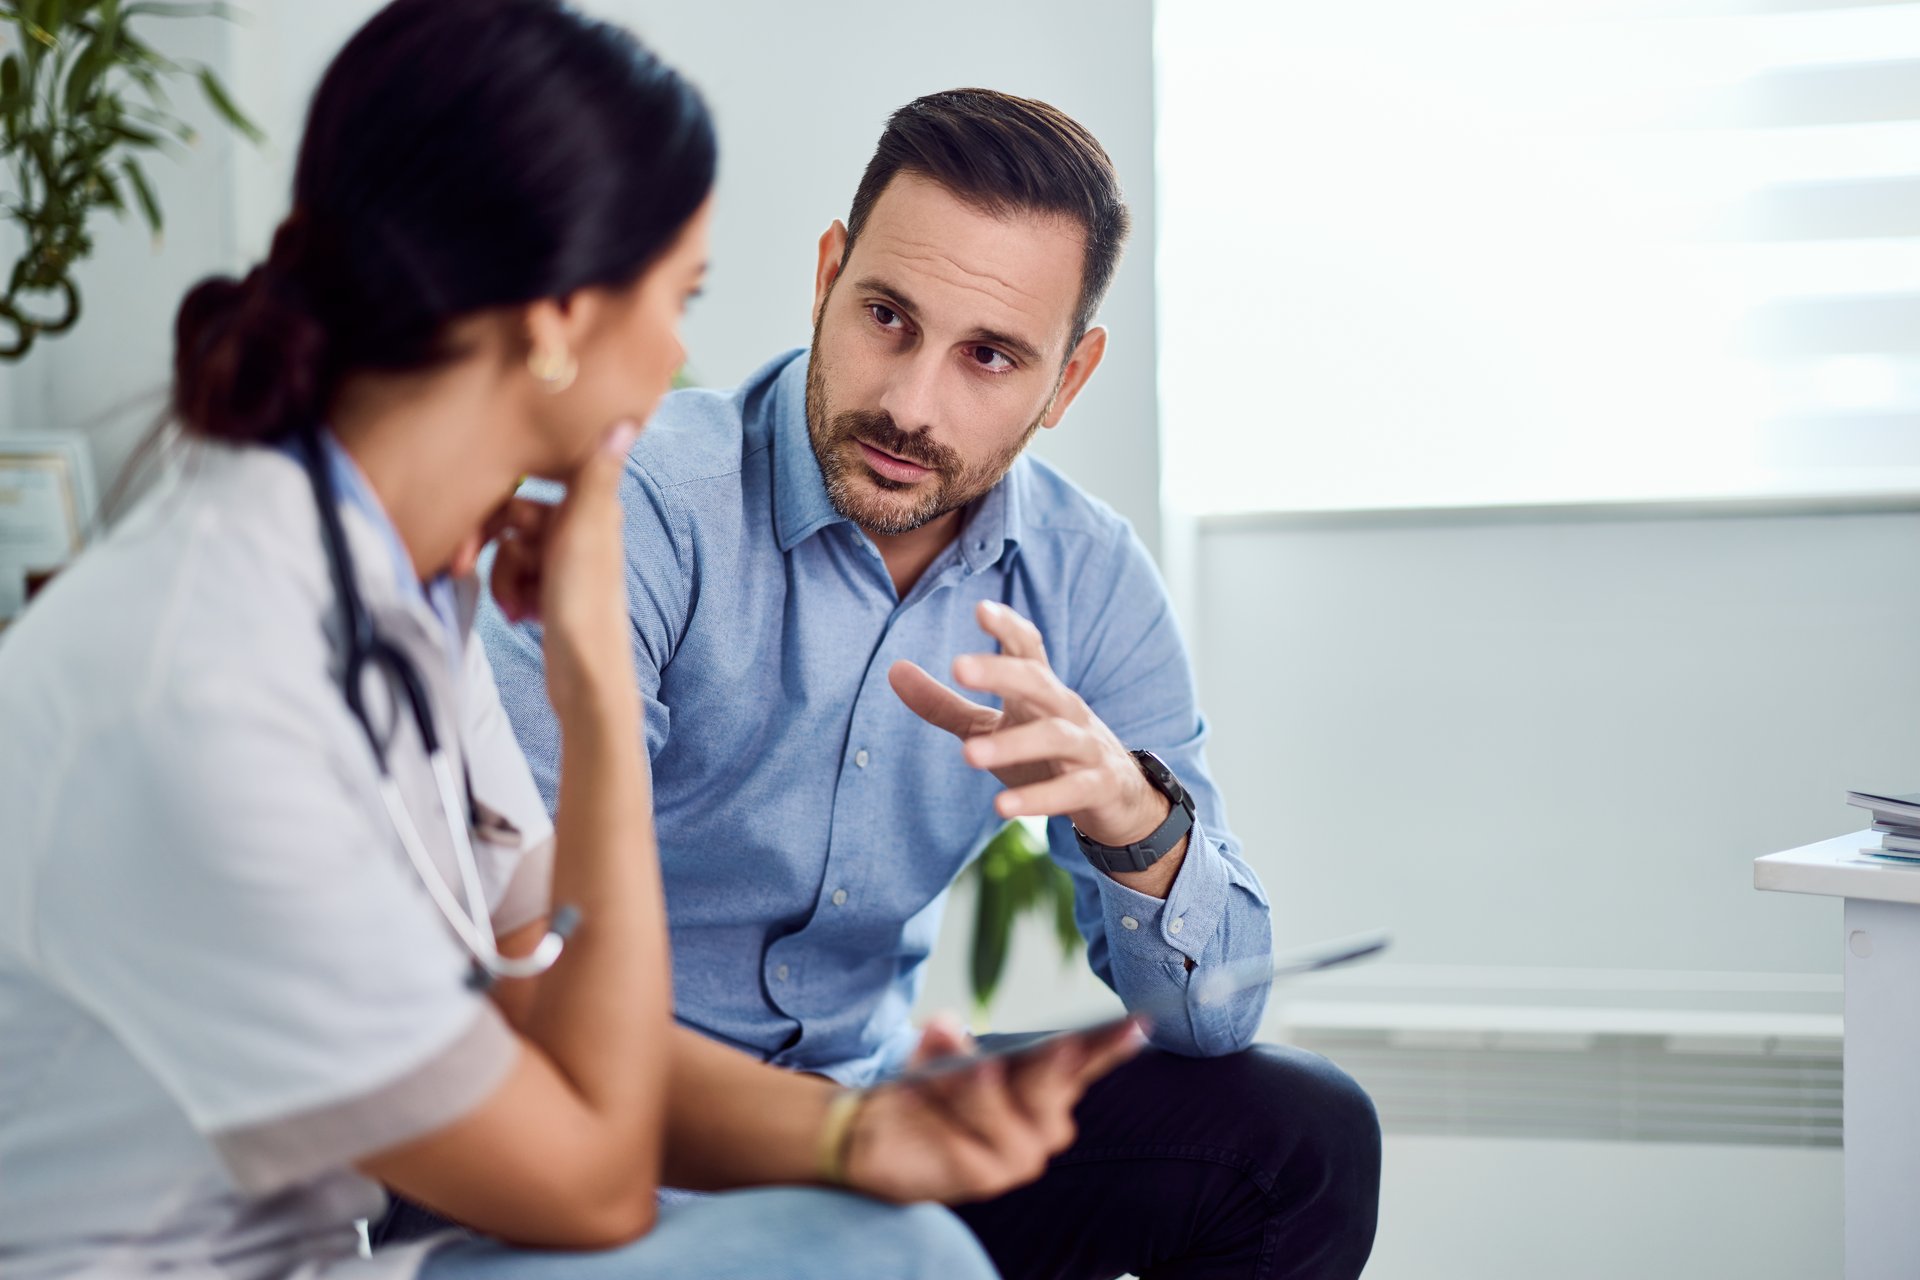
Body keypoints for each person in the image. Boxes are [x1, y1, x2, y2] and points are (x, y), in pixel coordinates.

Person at [0, 7, 1140, 1278]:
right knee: (900, 1262)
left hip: (339, 1250)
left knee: (897, 1232)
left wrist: (857, 1131)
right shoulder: (204, 686)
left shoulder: (392, 595)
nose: (678, 359)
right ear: (555, 318)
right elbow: (593, 1181)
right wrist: (595, 685)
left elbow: (542, 996)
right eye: (679, 298)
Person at [478, 87, 1383, 1279]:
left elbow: (1209, 1018)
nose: (912, 404)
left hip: (872, 1099)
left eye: (991, 357)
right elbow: (519, 968)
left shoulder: (1088, 574)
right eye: (889, 318)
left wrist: (1131, 814)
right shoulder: (642, 507)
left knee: (1296, 1138)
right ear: (828, 274)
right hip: (618, 1130)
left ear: (1067, 379)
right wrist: (841, 1142)